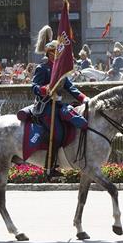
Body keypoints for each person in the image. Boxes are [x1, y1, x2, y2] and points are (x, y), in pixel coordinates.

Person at [29, 25, 89, 177]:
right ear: (50, 53)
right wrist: (45, 89)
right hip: (45, 106)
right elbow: (34, 87)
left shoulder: (60, 70)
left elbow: (70, 87)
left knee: (74, 118)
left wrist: (84, 98)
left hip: (59, 104)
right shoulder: (42, 69)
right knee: (57, 132)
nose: (59, 55)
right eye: (56, 52)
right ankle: (50, 167)